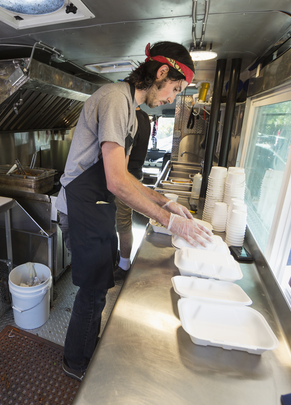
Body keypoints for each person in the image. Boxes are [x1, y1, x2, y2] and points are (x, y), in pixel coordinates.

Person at [55, 41, 213, 381]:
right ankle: (76, 363)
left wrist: (163, 201)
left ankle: (85, 351)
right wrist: (169, 222)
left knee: (100, 285)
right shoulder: (115, 99)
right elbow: (115, 181)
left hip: (96, 206)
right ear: (160, 73)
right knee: (93, 288)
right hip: (80, 207)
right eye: (175, 88)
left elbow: (124, 177)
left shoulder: (132, 112)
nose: (172, 97)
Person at [113, 106, 151, 282]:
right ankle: (119, 261)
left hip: (125, 179)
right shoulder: (144, 117)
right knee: (122, 223)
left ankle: (123, 266)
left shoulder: (129, 118)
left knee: (123, 224)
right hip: (134, 176)